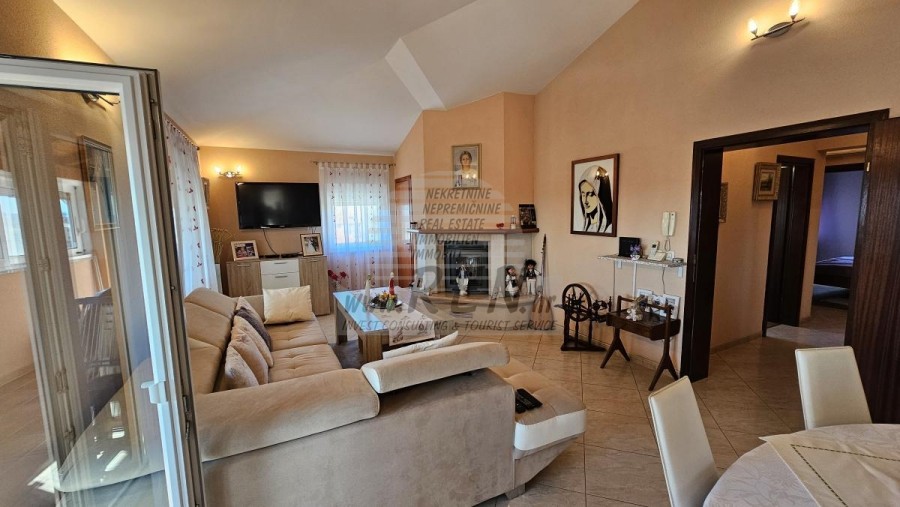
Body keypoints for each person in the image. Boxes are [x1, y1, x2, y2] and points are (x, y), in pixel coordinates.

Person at [577, 164, 614, 233]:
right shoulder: (586, 227)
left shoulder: (609, 228)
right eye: (583, 194)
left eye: (590, 194)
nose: (585, 201)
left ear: (600, 195)